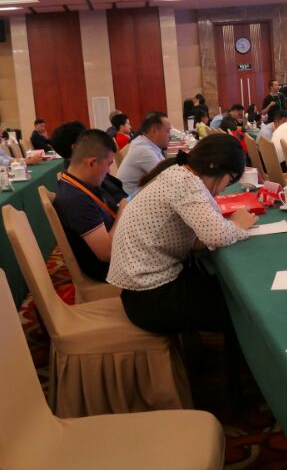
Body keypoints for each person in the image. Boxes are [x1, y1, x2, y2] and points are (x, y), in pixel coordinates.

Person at [107, 133, 257, 335]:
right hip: (150, 299)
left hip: (141, 291)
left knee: (229, 288)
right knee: (240, 302)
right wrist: (237, 225)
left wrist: (221, 230)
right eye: (229, 180)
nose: (223, 190)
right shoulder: (185, 182)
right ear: (213, 165)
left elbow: (193, 239)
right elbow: (216, 235)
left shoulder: (178, 173)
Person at [53, 129, 126, 283]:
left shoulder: (79, 183)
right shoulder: (75, 199)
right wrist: (122, 212)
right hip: (112, 269)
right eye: (108, 164)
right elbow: (107, 253)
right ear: (92, 163)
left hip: (120, 252)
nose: (109, 171)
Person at [116, 111, 171, 193]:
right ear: (154, 132)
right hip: (130, 197)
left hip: (138, 192)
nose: (170, 135)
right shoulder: (143, 150)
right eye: (168, 131)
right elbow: (167, 178)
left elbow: (165, 167)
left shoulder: (144, 141)